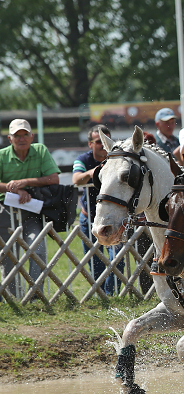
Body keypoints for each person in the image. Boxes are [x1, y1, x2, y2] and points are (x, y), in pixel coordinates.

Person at [0, 119, 60, 292]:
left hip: (32, 211)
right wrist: (17, 190)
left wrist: (23, 182)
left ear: (32, 136)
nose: (21, 138)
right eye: (17, 135)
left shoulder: (40, 150)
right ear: (10, 138)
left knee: (37, 248)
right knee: (8, 253)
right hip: (5, 210)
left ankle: (35, 294)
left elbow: (53, 179)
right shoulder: (1, 155)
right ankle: (12, 296)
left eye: (25, 134)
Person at [73, 125, 123, 295]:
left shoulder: (116, 158)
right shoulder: (83, 159)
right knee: (95, 262)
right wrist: (94, 172)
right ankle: (101, 295)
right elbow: (76, 180)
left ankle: (112, 295)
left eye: (105, 140)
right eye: (98, 141)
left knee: (118, 258)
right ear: (90, 144)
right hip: (89, 218)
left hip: (112, 219)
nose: (102, 144)